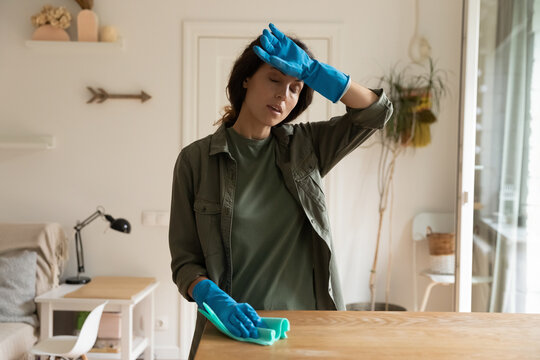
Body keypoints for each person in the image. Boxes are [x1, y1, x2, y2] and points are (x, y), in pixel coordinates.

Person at [169, 23, 393, 359]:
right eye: (274, 79)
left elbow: (376, 112)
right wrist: (212, 297)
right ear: (246, 78)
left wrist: (317, 73)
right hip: (237, 330)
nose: (283, 95)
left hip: (310, 326)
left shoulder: (306, 147)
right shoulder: (195, 161)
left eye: (295, 88)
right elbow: (185, 264)